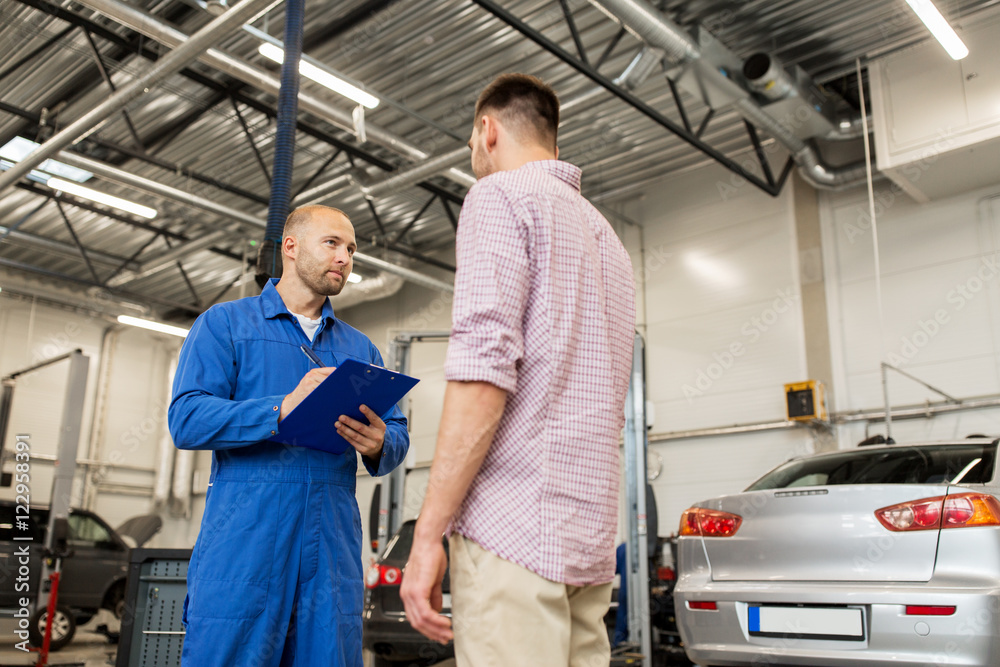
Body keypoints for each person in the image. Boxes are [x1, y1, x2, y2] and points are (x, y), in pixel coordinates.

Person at [400, 73, 637, 666]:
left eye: (471, 142)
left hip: (514, 536)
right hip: (587, 542)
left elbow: (483, 373)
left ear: (487, 129)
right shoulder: (607, 239)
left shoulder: (499, 197)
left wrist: (428, 534)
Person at [168, 205, 409, 667]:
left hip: (332, 546)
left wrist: (380, 443)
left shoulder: (360, 349)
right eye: (332, 243)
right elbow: (187, 418)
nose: (345, 257)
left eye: (352, 249)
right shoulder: (225, 325)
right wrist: (279, 409)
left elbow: (395, 432)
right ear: (291, 248)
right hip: (245, 541)